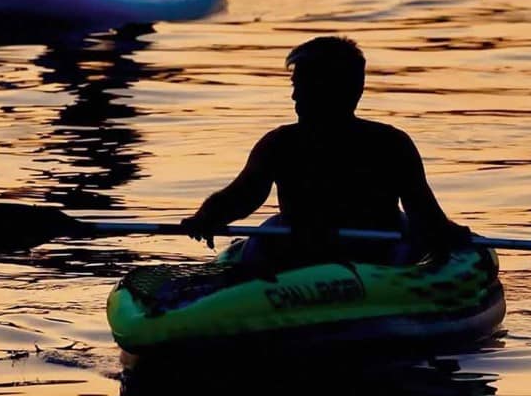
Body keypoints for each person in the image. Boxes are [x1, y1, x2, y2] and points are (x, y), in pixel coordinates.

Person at [181, 36, 471, 267]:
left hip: (374, 256)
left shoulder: (390, 145)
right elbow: (242, 197)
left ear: (340, 90)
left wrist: (453, 235)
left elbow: (424, 216)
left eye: (302, 86)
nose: (294, 96)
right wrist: (206, 217)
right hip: (302, 251)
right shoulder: (279, 144)